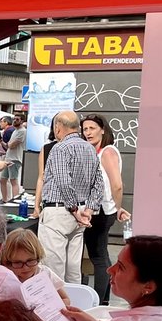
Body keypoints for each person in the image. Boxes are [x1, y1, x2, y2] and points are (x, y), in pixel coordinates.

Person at [37, 111, 104, 284]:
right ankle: (74, 307)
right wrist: (87, 210)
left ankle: (57, 309)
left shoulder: (60, 148)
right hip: (80, 213)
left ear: (58, 127)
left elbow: (63, 181)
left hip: (60, 211)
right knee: (73, 270)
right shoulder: (90, 148)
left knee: (53, 270)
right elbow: (98, 184)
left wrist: (75, 210)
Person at [81, 114, 131, 303]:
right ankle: (103, 298)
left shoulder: (108, 151)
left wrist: (117, 208)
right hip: (100, 210)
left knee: (98, 257)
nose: (88, 133)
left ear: (103, 129)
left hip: (102, 211)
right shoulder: (96, 151)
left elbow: (117, 184)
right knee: (99, 256)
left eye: (92, 128)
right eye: (85, 129)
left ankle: (101, 301)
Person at [0, 228, 71, 307]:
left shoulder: (45, 273)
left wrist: (52, 308)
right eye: (18, 263)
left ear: (38, 257)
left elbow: (66, 299)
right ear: (7, 263)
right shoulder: (6, 278)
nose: (25, 268)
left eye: (30, 261)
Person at [0, 116, 27, 203]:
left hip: (15, 159)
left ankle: (15, 200)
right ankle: (5, 199)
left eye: (17, 119)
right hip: (9, 158)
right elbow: (9, 145)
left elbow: (11, 145)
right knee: (3, 179)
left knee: (13, 180)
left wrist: (5, 144)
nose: (15, 121)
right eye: (14, 119)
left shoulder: (22, 131)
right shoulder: (15, 131)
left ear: (22, 121)